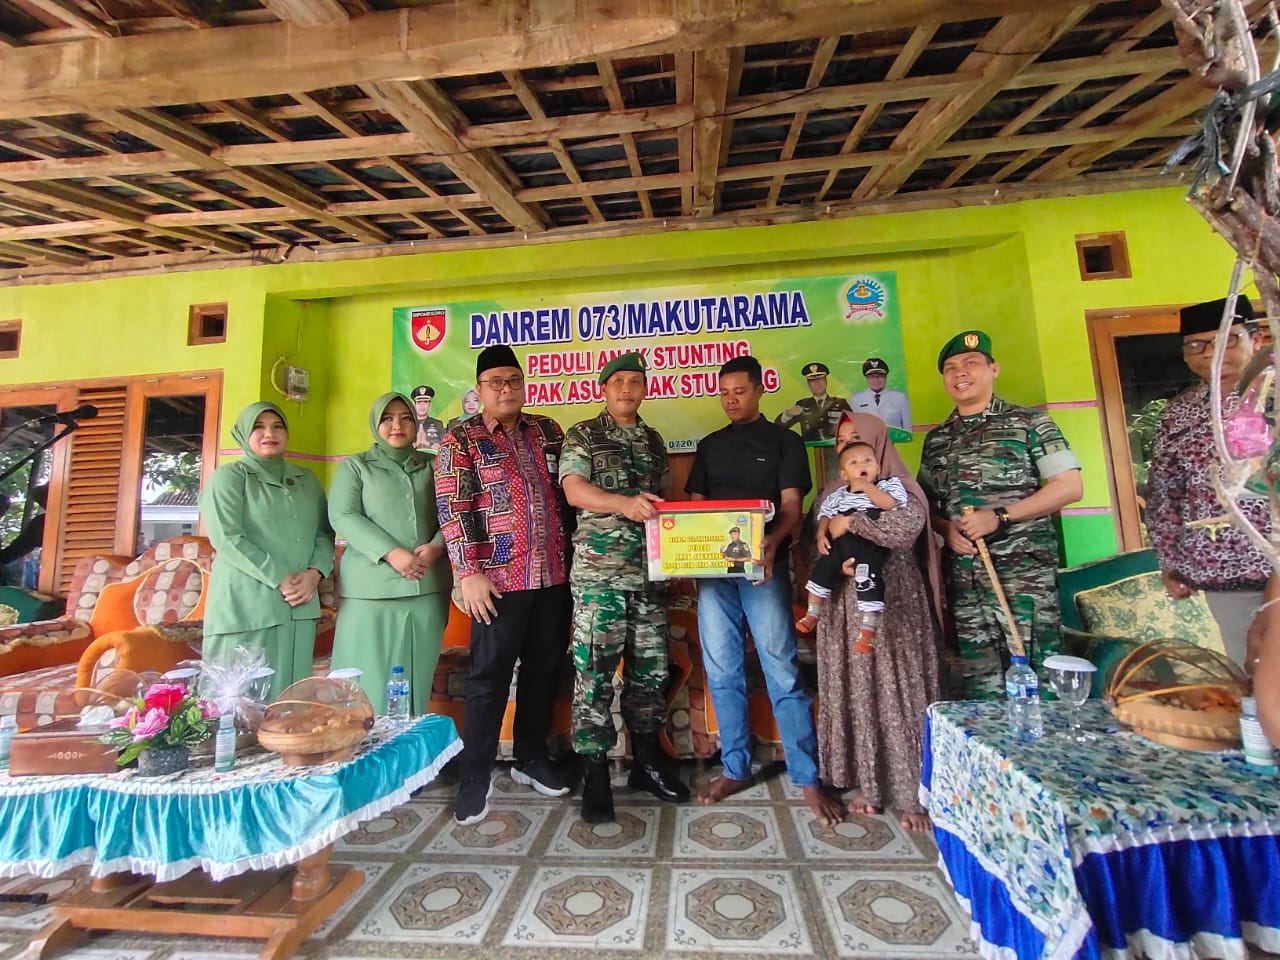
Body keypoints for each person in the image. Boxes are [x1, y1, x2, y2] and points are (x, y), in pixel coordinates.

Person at [686, 354, 844, 825]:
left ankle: (807, 777)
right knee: (722, 670)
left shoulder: (784, 442)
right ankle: (734, 767)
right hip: (715, 573)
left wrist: (772, 544)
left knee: (781, 667)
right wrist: (684, 555)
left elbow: (792, 507)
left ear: (758, 391)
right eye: (724, 391)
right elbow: (695, 510)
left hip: (764, 569)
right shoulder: (709, 446)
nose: (731, 399)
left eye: (740, 390)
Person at [436, 344, 574, 825]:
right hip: (496, 581)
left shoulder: (549, 431)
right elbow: (454, 509)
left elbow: (569, 496)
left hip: (553, 575)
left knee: (543, 669)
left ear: (524, 383)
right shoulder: (461, 440)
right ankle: (475, 775)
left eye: (513, 380)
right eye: (495, 382)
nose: (506, 389)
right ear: (479, 391)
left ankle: (531, 758)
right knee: (488, 678)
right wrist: (467, 572)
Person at [559, 351, 690, 823]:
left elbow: (667, 502)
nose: (627, 389)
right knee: (593, 675)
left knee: (649, 675)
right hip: (600, 580)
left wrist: (679, 556)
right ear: (604, 388)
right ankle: (595, 773)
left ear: (644, 389)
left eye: (636, 382)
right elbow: (574, 490)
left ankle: (646, 763)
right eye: (619, 382)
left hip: (650, 578)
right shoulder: (583, 435)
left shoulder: (654, 440)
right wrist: (622, 503)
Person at [918, 331, 1083, 698]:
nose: (960, 373)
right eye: (951, 367)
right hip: (965, 580)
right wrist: (946, 529)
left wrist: (1001, 517)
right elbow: (925, 503)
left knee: (1037, 677)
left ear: (993, 368)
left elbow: (1069, 486)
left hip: (1023, 577)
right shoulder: (937, 439)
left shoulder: (1030, 424)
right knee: (982, 685)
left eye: (971, 363)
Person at [811, 411, 942, 831]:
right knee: (857, 689)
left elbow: (901, 532)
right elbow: (816, 548)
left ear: (878, 445)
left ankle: (911, 794)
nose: (848, 446)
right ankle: (868, 783)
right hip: (844, 609)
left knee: (897, 690)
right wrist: (832, 550)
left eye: (857, 439)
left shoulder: (901, 488)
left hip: (896, 605)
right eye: (840, 440)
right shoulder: (829, 495)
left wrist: (851, 522)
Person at [1146, 296, 1271, 668]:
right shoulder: (1179, 412)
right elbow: (1165, 491)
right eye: (1195, 345)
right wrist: (1170, 559)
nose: (1210, 353)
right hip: (1227, 566)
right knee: (1252, 666)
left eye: (1226, 340)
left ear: (1257, 338)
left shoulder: (1274, 395)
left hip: (1275, 551)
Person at [199, 402, 334, 701]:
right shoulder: (230, 478)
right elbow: (227, 537)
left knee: (291, 704)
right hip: (246, 606)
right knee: (235, 706)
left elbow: (324, 532)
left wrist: (315, 573)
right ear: (243, 433)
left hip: (299, 605)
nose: (268, 433)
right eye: (258, 426)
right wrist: (279, 577)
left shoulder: (307, 480)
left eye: (277, 426)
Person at [328, 392, 451, 714]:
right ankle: (364, 754)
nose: (397, 425)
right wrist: (392, 552)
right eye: (387, 418)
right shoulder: (355, 467)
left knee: (417, 678)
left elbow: (454, 509)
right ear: (375, 423)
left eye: (406, 418)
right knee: (366, 680)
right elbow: (343, 515)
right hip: (371, 591)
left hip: (426, 586)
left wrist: (438, 544)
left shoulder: (434, 464)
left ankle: (410, 757)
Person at [795, 440, 909, 652]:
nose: (861, 465)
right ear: (844, 474)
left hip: (869, 544)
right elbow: (825, 514)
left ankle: (868, 630)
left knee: (867, 579)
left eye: (867, 460)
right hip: (841, 544)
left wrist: (866, 486)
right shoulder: (837, 494)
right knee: (823, 568)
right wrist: (821, 535)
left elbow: (889, 505)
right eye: (854, 462)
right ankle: (812, 613)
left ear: (878, 467)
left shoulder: (888, 485)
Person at [775, 361, 852, 442]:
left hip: (835, 449)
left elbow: (854, 426)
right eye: (813, 381)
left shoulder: (840, 403)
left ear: (826, 381)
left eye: (820, 379)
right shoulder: (803, 404)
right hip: (811, 450)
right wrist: (788, 414)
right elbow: (778, 427)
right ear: (808, 384)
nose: (817, 384)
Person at [848, 357, 912, 431]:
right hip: (866, 441)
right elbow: (853, 428)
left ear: (886, 377)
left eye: (880, 376)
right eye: (872, 376)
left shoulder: (900, 397)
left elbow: (908, 428)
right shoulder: (856, 399)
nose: (876, 379)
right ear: (866, 378)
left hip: (893, 441)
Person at [411, 384, 445, 452]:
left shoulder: (438, 424)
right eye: (419, 402)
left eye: (425, 402)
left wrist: (427, 443)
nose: (422, 406)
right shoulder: (409, 424)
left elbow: (444, 448)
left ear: (430, 404)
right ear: (414, 404)